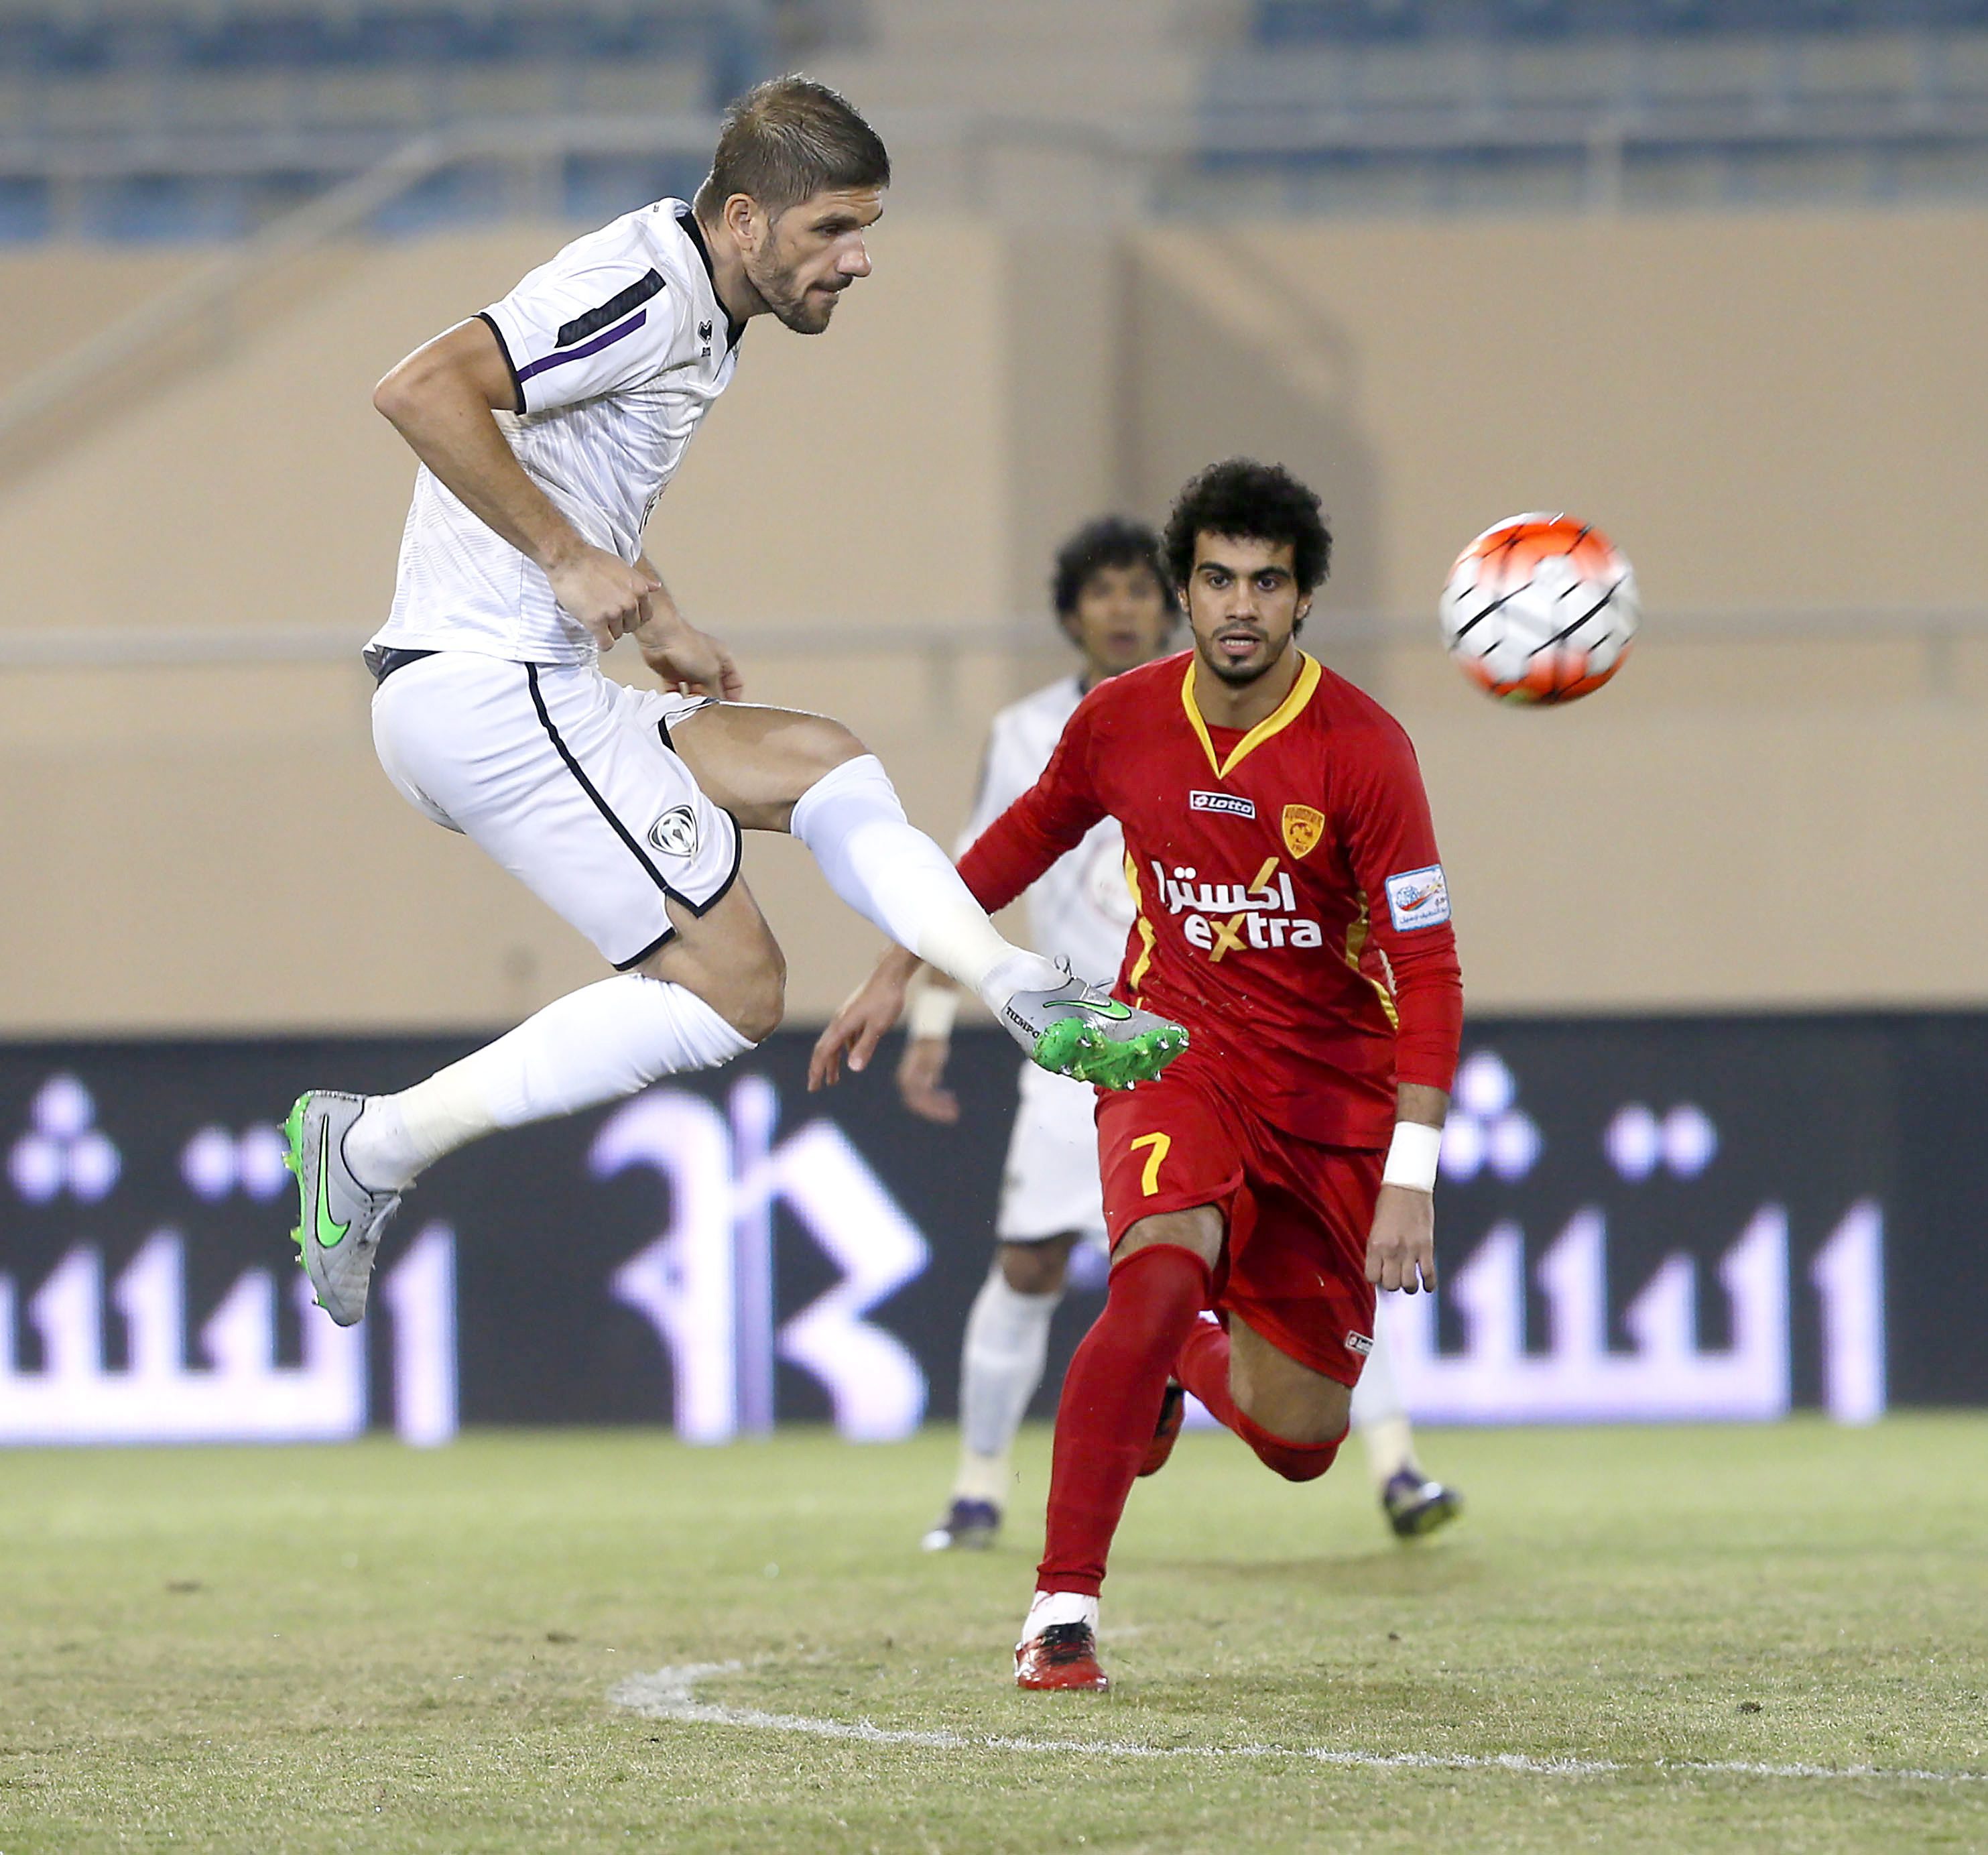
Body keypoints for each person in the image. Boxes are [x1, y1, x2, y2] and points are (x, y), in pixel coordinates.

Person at [283, 76, 1184, 1328]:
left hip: (530, 681)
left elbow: (565, 468)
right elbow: (421, 387)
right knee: (737, 989)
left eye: (867, 230)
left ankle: (1010, 980)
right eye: (833, 231)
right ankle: (374, 1146)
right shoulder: (648, 286)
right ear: (747, 218)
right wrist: (565, 560)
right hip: (482, 694)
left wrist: (654, 616)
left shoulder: (704, 305)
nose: (859, 261)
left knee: (818, 760)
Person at [813, 459, 1463, 1692]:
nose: (1238, 605)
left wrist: (1410, 1175)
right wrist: (900, 968)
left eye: (1266, 583)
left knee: (1303, 1439)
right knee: (1157, 1273)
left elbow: (1429, 976)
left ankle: (1184, 1366)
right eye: (1216, 577)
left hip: (1329, 1098)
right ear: (1184, 586)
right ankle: (1061, 1611)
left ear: (1302, 601)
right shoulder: (1120, 720)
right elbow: (1008, 845)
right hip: (1172, 1054)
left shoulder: (1367, 752)